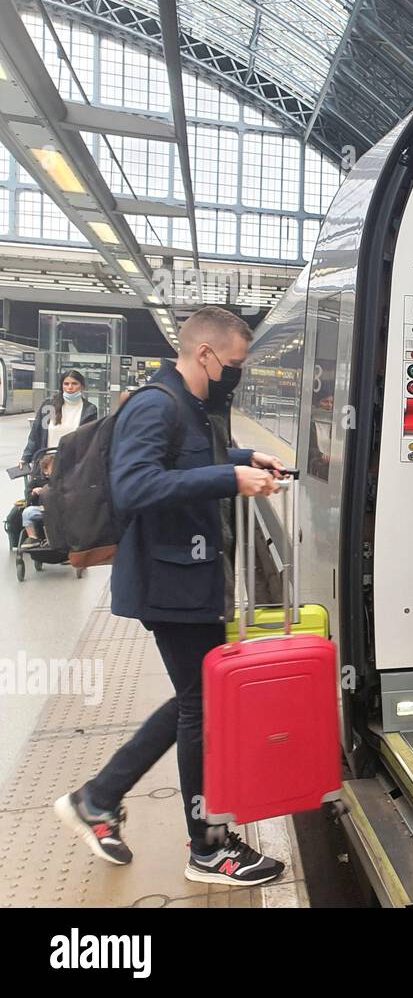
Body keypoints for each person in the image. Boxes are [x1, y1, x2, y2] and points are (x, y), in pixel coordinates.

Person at [53, 307, 289, 887]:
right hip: (170, 583)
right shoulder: (158, 404)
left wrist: (241, 459)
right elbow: (134, 485)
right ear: (204, 354)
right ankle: (207, 849)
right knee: (199, 707)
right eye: (233, 363)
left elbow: (186, 462)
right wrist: (228, 479)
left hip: (189, 576)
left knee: (197, 699)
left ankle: (100, 797)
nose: (236, 373)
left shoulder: (189, 407)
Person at [18, 369, 97, 470]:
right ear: (61, 386)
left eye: (74, 383)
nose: (70, 387)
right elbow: (36, 433)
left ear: (82, 386)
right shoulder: (49, 406)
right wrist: (26, 457)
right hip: (47, 465)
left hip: (74, 466)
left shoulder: (89, 410)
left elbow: (89, 439)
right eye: (66, 384)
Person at [18, 451, 55, 549]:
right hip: (41, 507)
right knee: (27, 512)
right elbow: (28, 498)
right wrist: (34, 492)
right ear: (45, 470)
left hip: (60, 508)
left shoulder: (62, 480)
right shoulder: (36, 481)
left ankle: (53, 539)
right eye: (53, 468)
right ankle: (33, 538)